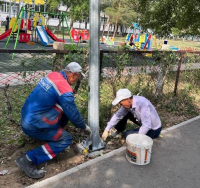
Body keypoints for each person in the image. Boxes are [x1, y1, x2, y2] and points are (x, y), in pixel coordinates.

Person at [16, 62, 92, 179]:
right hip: (34, 125)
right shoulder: (65, 90)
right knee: (66, 138)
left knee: (63, 109)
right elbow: (73, 114)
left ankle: (50, 137)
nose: (77, 80)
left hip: (27, 116)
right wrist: (84, 127)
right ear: (73, 75)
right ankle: (28, 159)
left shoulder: (53, 75)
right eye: (78, 77)